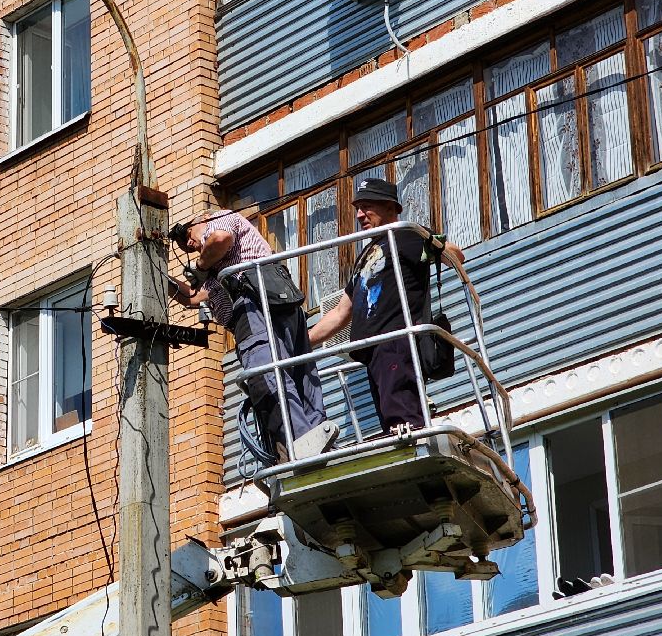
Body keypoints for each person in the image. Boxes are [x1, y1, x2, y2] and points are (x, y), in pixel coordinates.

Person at [170, 208, 337, 460]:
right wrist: (160, 277)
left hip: (254, 307)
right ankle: (316, 437)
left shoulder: (219, 221)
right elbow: (192, 297)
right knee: (299, 372)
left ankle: (302, 441)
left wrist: (200, 265)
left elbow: (219, 239)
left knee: (265, 374)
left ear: (201, 219)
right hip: (282, 304)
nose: (191, 244)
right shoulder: (221, 263)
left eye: (189, 235)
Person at [308, 178, 464, 433]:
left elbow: (455, 255)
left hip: (396, 340)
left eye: (367, 206)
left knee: (403, 419)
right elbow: (340, 312)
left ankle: (412, 443)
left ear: (390, 208)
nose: (359, 214)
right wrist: (302, 342)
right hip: (373, 351)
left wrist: (434, 244)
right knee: (390, 421)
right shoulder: (366, 254)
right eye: (358, 207)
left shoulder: (406, 234)